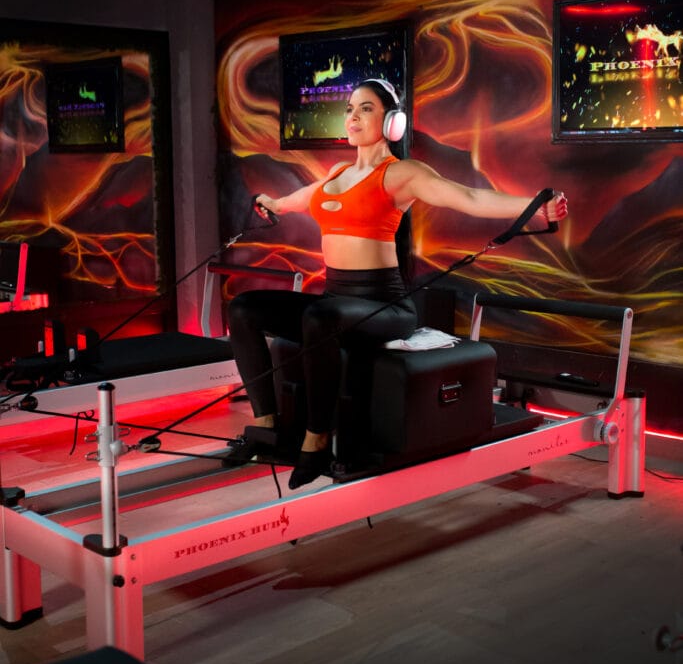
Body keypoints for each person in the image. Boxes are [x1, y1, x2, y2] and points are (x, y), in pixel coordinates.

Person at [226, 78, 569, 490]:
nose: (353, 117)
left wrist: (535, 207)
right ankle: (268, 428)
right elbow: (306, 197)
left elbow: (468, 197)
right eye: (350, 109)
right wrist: (275, 204)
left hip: (384, 306)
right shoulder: (338, 173)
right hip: (337, 301)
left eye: (366, 108)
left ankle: (315, 441)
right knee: (244, 310)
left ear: (392, 122)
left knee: (320, 316)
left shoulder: (400, 174)